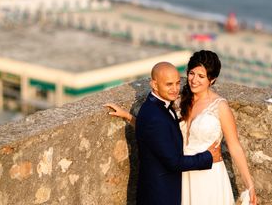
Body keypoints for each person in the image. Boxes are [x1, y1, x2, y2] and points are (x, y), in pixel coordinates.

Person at [106, 51, 257, 205]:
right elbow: (159, 130)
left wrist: (249, 185)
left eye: (201, 76)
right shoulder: (179, 101)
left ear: (212, 80)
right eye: (192, 73)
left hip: (208, 174)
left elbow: (234, 146)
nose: (194, 80)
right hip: (183, 174)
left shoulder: (220, 106)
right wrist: (129, 117)